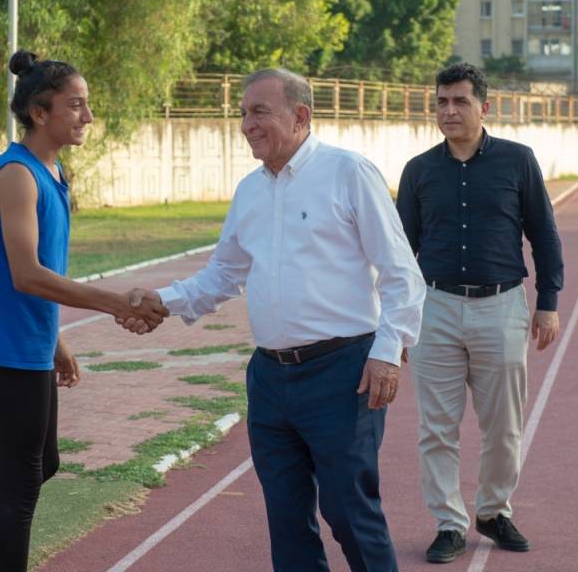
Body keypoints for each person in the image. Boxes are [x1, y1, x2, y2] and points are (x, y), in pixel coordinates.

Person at [125, 68, 425, 572]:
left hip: (344, 373)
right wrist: (162, 299)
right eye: (243, 113)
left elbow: (402, 274)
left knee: (349, 511)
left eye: (259, 111)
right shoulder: (250, 191)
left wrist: (388, 352)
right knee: (287, 521)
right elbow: (223, 274)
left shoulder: (348, 172)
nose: (246, 124)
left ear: (300, 115)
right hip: (270, 378)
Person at [0, 51, 167, 572]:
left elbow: (19, 273)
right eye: (75, 105)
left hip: (28, 335)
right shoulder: (17, 175)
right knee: (22, 478)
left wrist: (55, 339)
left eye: (86, 105)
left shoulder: (51, 171)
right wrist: (114, 303)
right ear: (40, 113)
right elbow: (25, 274)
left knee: (39, 464)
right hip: (7, 339)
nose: (86, 116)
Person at [395, 62, 564, 564]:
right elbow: (402, 252)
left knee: (504, 425)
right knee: (436, 428)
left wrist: (549, 303)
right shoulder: (419, 170)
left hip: (502, 305)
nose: (449, 110)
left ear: (484, 107)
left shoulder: (518, 161)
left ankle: (492, 511)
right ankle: (448, 523)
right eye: (442, 101)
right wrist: (399, 321)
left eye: (460, 101)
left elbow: (545, 234)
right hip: (435, 308)